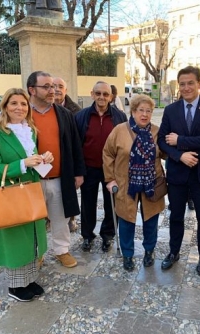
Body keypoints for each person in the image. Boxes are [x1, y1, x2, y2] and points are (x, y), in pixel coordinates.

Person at [0, 88, 52, 302]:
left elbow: (31, 162)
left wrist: (43, 160)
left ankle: (29, 279)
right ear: (4, 107)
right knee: (16, 241)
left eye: (23, 104)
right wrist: (22, 164)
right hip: (11, 196)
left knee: (33, 239)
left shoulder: (30, 131)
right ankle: (15, 286)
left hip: (31, 192)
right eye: (14, 103)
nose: (19, 108)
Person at [157, 66, 200, 276]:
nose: (186, 88)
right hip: (177, 174)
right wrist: (179, 155)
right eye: (182, 84)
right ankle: (174, 252)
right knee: (176, 216)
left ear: (199, 84)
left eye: (190, 83)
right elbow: (162, 141)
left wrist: (181, 141)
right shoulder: (171, 110)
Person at [27, 71, 85, 268]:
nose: (52, 91)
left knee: (61, 216)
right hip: (32, 179)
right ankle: (37, 253)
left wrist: (78, 172)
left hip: (60, 177)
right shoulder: (22, 114)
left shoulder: (64, 114)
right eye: (46, 87)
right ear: (32, 90)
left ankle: (62, 250)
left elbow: (75, 144)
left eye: (53, 86)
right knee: (35, 218)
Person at [103, 94, 166, 271]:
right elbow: (108, 153)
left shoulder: (156, 131)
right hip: (126, 185)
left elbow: (165, 153)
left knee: (151, 221)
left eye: (148, 111)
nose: (145, 114)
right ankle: (128, 254)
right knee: (126, 221)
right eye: (141, 110)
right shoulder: (120, 130)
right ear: (133, 111)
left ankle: (149, 251)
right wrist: (110, 178)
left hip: (151, 184)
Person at [75, 81, 127, 253]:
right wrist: (78, 171)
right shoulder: (81, 116)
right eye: (98, 93)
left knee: (111, 204)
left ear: (111, 96)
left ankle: (108, 235)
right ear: (92, 94)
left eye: (105, 94)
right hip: (88, 168)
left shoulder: (120, 117)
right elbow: (77, 145)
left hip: (111, 170)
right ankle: (87, 236)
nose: (101, 97)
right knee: (88, 204)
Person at [53, 77, 82, 233]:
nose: (57, 89)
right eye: (54, 86)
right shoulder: (43, 109)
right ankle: (47, 218)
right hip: (48, 159)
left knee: (68, 190)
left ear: (66, 90)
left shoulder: (75, 110)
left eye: (60, 86)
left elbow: (78, 140)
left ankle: (71, 218)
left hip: (68, 157)